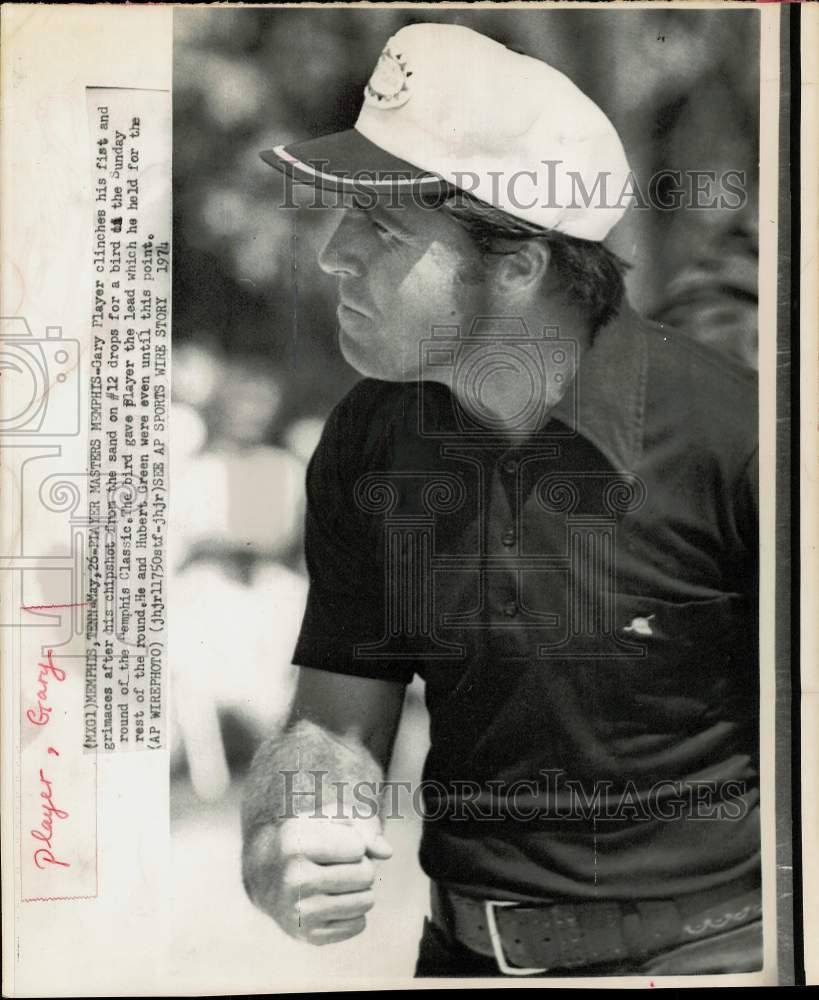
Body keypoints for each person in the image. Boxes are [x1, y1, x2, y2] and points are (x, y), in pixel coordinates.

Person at [240, 23, 760, 977]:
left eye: (382, 228)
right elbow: (335, 721)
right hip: (459, 961)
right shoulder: (368, 439)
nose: (332, 256)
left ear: (521, 264)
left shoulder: (743, 442)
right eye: (343, 213)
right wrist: (288, 816)